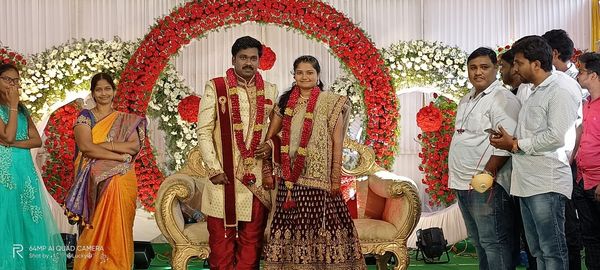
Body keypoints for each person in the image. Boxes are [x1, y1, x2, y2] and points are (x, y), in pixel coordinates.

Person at [261, 55, 366, 269]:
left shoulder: (331, 102)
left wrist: (335, 177)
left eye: (309, 72)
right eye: (300, 72)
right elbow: (271, 136)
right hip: (290, 179)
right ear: (293, 75)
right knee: (291, 225)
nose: (304, 76)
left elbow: (337, 141)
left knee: (324, 225)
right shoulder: (285, 102)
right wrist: (270, 151)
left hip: (321, 177)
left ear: (318, 76)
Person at [490, 35, 581, 270]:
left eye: (519, 63)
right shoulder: (533, 90)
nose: (516, 69)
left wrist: (516, 144)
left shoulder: (560, 88)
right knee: (537, 250)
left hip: (546, 180)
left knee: (552, 250)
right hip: (526, 180)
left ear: (536, 64)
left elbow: (556, 137)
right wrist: (508, 140)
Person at [196, 36, 279, 269]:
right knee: (221, 242)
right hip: (224, 177)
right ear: (233, 59)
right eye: (243, 57)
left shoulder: (271, 90)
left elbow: (280, 130)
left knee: (251, 242)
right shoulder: (217, 87)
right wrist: (213, 169)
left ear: (259, 60)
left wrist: (271, 144)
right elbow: (203, 131)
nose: (248, 63)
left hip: (256, 181)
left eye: (253, 58)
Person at [63, 72, 146, 269]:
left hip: (124, 178)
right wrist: (117, 154)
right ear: (92, 93)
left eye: (107, 88)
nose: (103, 93)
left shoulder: (126, 119)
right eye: (98, 89)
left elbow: (133, 147)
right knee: (95, 226)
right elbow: (86, 147)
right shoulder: (85, 116)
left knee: (121, 225)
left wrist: (104, 145)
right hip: (94, 178)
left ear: (114, 91)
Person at [448, 48, 520, 270]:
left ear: (496, 69)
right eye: (473, 68)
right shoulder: (467, 98)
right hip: (463, 182)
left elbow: (507, 143)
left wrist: (487, 174)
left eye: (484, 67)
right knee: (479, 242)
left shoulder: (502, 98)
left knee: (494, 242)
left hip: (486, 184)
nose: (478, 72)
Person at [0, 64, 66, 269]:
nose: (12, 84)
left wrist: (13, 144)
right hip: (5, 172)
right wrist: (11, 105)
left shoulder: (21, 110)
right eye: (7, 79)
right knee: (8, 219)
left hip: (24, 171)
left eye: (16, 80)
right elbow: (8, 134)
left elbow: (36, 140)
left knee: (29, 217)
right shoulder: (11, 107)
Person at [543, 29, 583, 270]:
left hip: (573, 161)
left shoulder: (580, 81)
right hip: (562, 160)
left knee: (571, 226)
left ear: (554, 53)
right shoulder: (550, 81)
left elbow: (581, 127)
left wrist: (571, 157)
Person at [572, 52, 600, 269]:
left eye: (580, 71)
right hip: (581, 178)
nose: (577, 75)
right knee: (589, 238)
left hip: (598, 181)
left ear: (593, 75)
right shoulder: (585, 103)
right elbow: (579, 135)